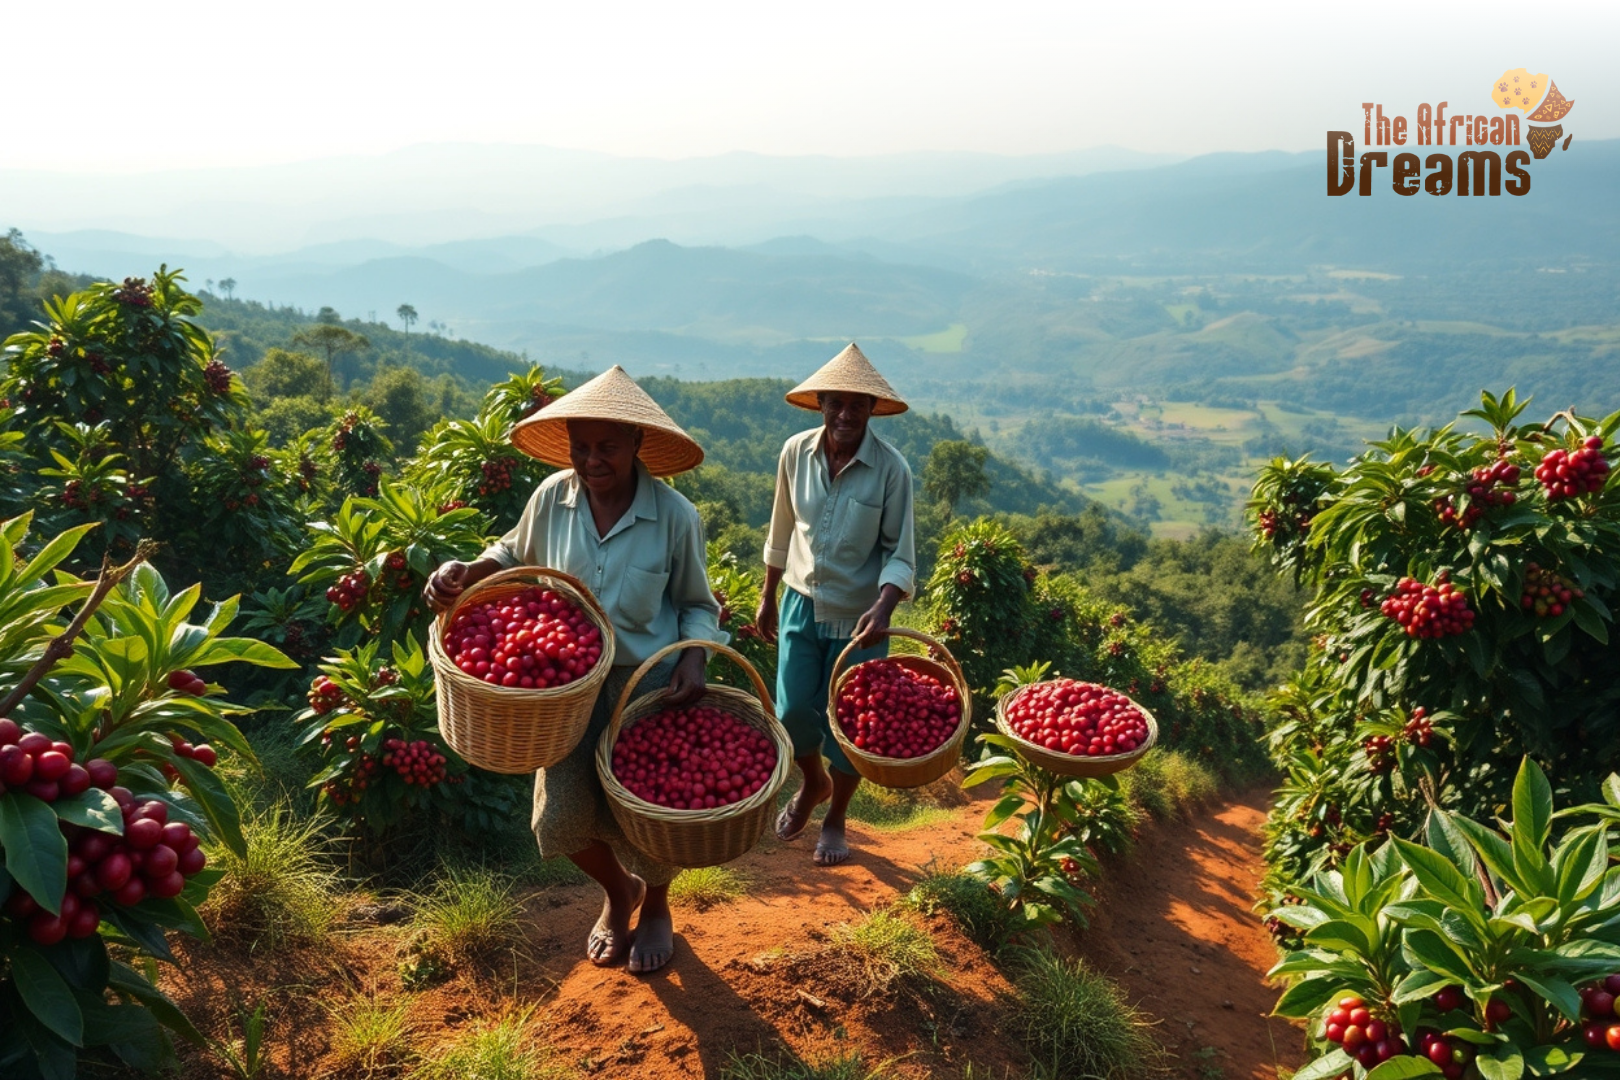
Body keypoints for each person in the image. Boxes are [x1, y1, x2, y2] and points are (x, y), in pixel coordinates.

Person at [426, 365, 722, 974]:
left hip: (644, 684)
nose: (591, 460)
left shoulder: (674, 517)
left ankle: (657, 904)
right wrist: (467, 569)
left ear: (637, 445)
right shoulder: (551, 499)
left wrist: (694, 657)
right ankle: (620, 892)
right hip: (563, 687)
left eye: (607, 447)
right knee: (558, 817)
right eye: (581, 447)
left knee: (647, 813)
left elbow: (697, 603)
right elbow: (511, 552)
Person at [755, 343, 916, 867]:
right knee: (792, 711)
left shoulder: (892, 470)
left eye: (857, 405)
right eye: (836, 403)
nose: (846, 414)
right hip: (801, 602)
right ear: (820, 404)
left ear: (872, 410)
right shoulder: (794, 453)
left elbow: (899, 552)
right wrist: (767, 594)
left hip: (861, 617)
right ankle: (813, 782)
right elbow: (781, 529)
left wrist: (886, 606)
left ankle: (836, 816)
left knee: (851, 725)